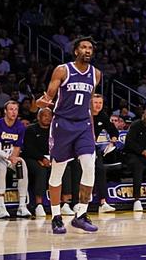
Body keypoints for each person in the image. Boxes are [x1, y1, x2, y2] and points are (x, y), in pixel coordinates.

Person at [36, 36, 100, 234]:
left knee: (89, 166)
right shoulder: (63, 70)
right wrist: (41, 103)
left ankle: (81, 214)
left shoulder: (96, 74)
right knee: (58, 171)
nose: (87, 50)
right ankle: (56, 217)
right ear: (76, 51)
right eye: (83, 47)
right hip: (62, 124)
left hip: (83, 125)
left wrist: (91, 127)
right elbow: (48, 96)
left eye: (90, 48)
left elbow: (89, 102)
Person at [0, 100, 30, 218]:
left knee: (21, 164)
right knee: (2, 169)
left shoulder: (20, 126)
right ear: (5, 111)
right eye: (11, 109)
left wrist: (13, 159)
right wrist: (7, 158)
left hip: (10, 157)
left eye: (16, 109)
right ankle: (1, 206)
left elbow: (17, 147)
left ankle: (22, 206)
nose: (14, 112)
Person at [22, 108, 53, 217]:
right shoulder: (31, 129)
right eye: (45, 115)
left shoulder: (54, 130)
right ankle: (39, 204)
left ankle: (65, 203)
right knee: (41, 170)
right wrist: (41, 158)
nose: (48, 118)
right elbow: (28, 149)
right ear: (38, 117)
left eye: (49, 115)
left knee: (65, 168)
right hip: (32, 158)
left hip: (50, 158)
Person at [90, 94, 118, 213]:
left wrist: (113, 139)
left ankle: (103, 202)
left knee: (100, 170)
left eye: (100, 103)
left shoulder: (103, 116)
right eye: (95, 102)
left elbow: (113, 130)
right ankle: (76, 201)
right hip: (78, 147)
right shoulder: (83, 114)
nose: (98, 105)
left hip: (93, 147)